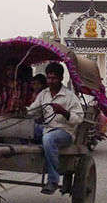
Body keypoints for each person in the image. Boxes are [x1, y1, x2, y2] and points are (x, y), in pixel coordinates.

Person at [27, 62, 84, 195]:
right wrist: (22, 111)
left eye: (54, 78)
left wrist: (64, 112)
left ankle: (53, 180)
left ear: (61, 78)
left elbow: (79, 118)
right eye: (49, 78)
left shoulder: (70, 96)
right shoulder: (44, 94)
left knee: (48, 139)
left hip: (64, 132)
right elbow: (33, 111)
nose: (51, 81)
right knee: (25, 130)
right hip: (46, 128)